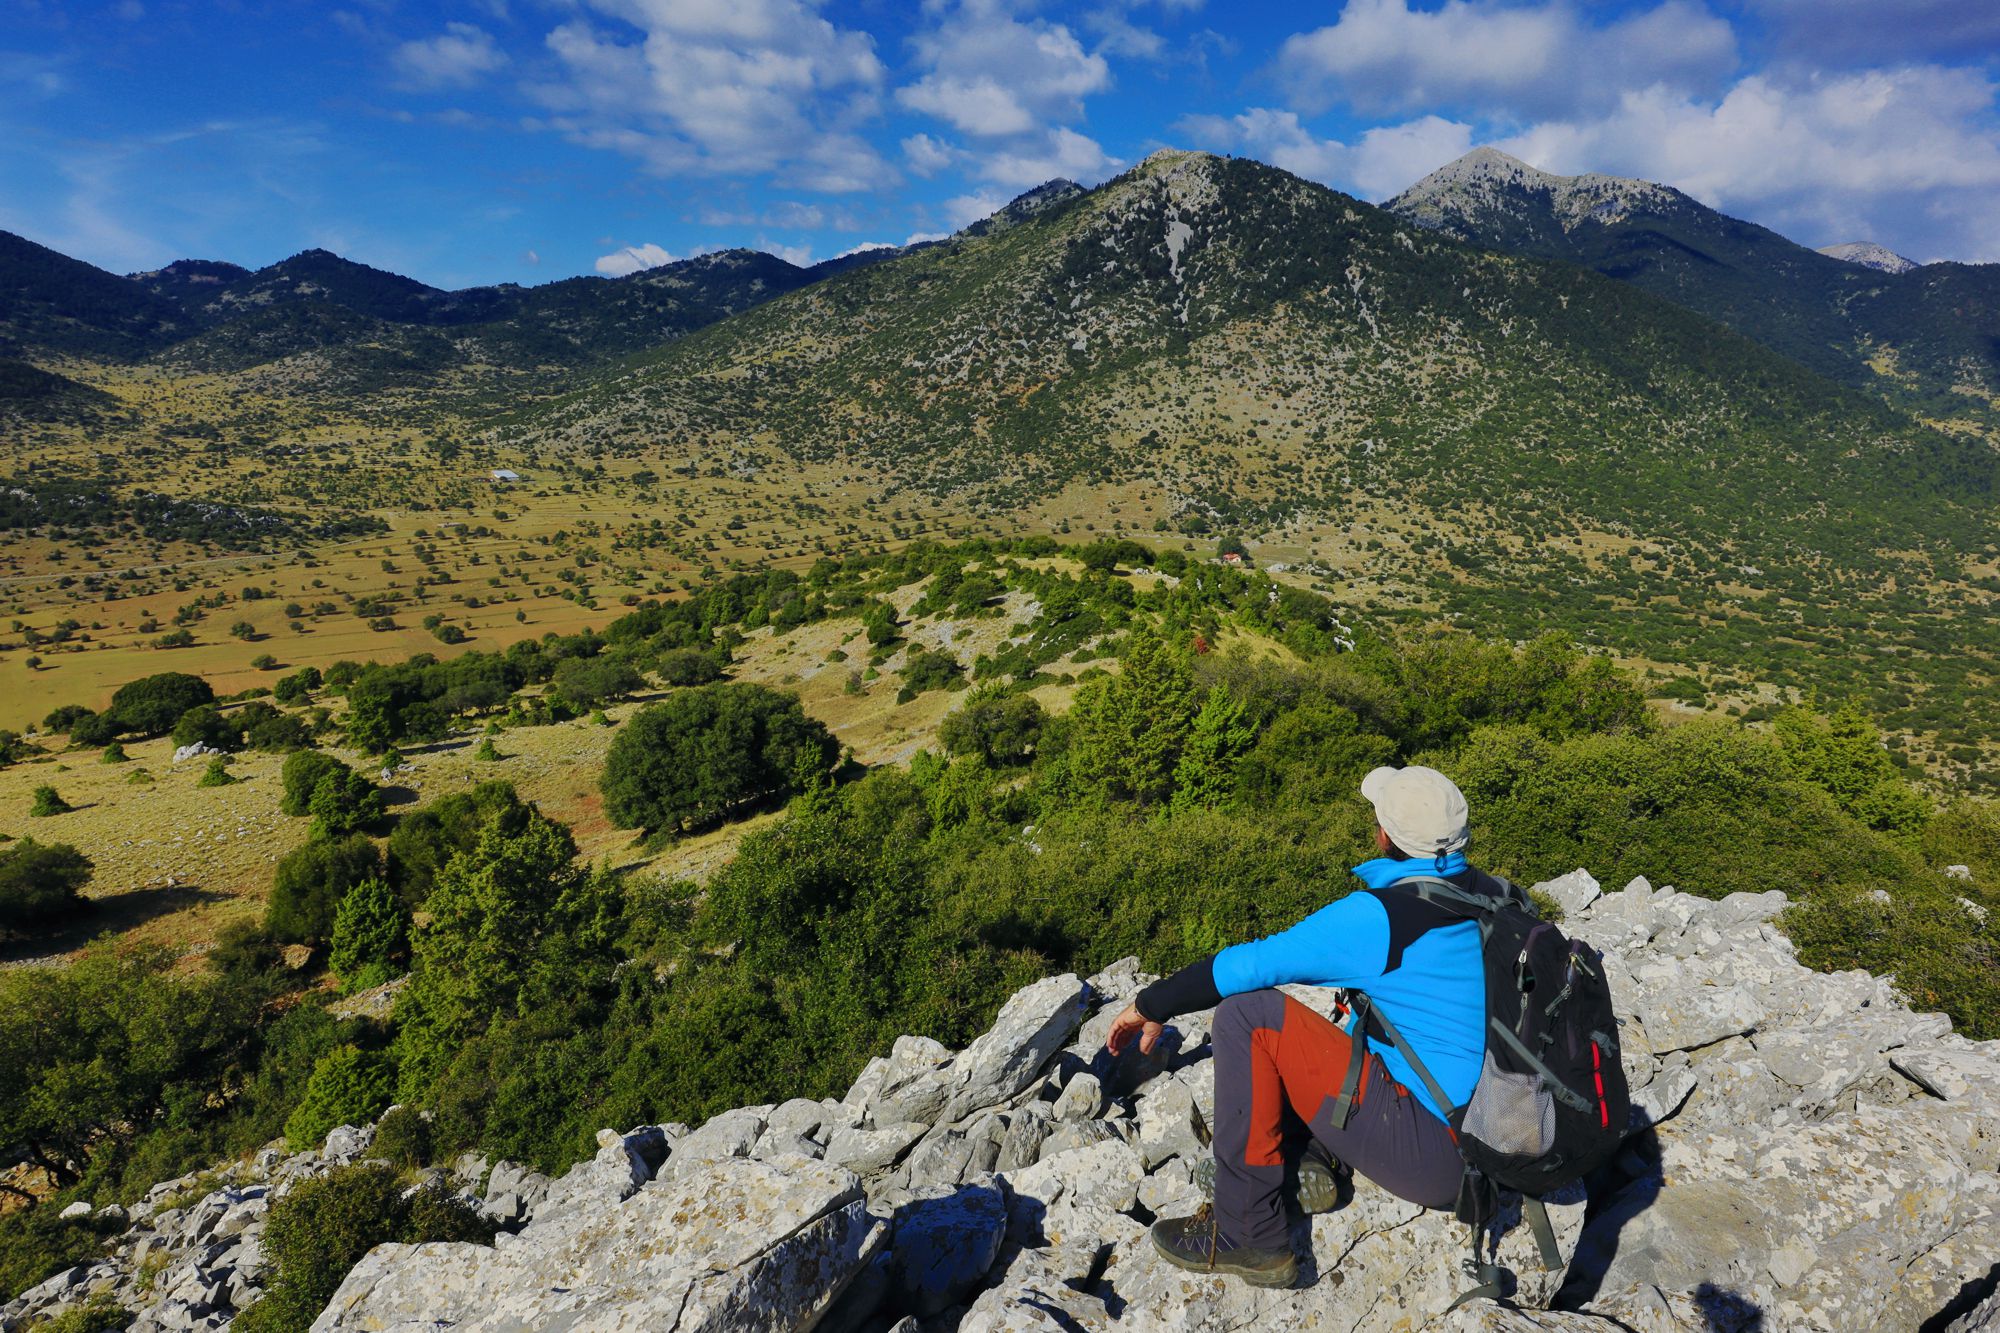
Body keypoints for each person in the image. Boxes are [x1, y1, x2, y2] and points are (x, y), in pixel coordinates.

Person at [1104, 764, 1499, 1288]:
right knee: (1350, 1033)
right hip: (1514, 1128)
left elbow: (1249, 965)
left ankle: (1249, 1233)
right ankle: (1311, 1155)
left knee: (1249, 1018)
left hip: (1444, 1158)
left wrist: (1152, 1004)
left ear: (1384, 836)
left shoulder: (1382, 916)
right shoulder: (1502, 898)